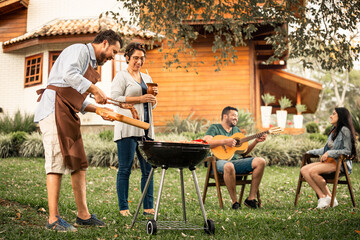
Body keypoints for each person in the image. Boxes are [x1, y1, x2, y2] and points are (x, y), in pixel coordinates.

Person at [34, 30, 122, 231]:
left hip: (68, 111)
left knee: (78, 163)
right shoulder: (80, 51)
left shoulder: (89, 64)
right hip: (54, 108)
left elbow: (76, 98)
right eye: (114, 52)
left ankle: (83, 215)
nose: (112, 57)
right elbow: (68, 75)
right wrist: (95, 89)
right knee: (56, 161)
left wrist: (99, 109)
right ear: (105, 43)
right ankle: (53, 219)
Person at [111, 42, 158, 217]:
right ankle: (124, 208)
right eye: (135, 58)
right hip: (128, 128)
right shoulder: (121, 76)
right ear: (127, 58)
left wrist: (153, 101)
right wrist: (140, 98)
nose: (139, 61)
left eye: (142, 58)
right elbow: (115, 99)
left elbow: (151, 102)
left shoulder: (147, 77)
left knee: (148, 169)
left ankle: (148, 207)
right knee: (125, 168)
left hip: (146, 129)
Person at [203, 106, 267, 209]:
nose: (236, 118)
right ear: (225, 116)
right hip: (217, 163)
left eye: (237, 116)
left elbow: (244, 152)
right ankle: (235, 202)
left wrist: (255, 141)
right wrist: (225, 141)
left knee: (260, 161)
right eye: (233, 115)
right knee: (229, 166)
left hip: (235, 162)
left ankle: (251, 199)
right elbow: (207, 142)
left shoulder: (236, 131)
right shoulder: (214, 128)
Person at [301, 107, 356, 209]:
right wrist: (309, 152)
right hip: (329, 162)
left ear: (341, 116)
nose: (331, 116)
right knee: (304, 170)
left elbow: (347, 150)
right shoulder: (333, 131)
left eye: (334, 114)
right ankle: (325, 197)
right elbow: (324, 150)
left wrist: (330, 153)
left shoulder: (345, 130)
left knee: (312, 172)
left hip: (339, 163)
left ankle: (327, 198)